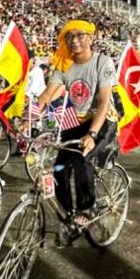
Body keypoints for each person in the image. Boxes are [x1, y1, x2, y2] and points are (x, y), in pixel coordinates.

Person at [36, 20, 116, 226]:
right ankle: (68, 211)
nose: (74, 40)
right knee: (60, 169)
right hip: (76, 124)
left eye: (80, 35)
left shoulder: (102, 62)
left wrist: (91, 135)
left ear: (90, 38)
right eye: (70, 36)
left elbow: (104, 102)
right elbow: (46, 95)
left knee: (83, 158)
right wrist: (28, 117)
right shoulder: (65, 64)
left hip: (102, 120)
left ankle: (87, 206)